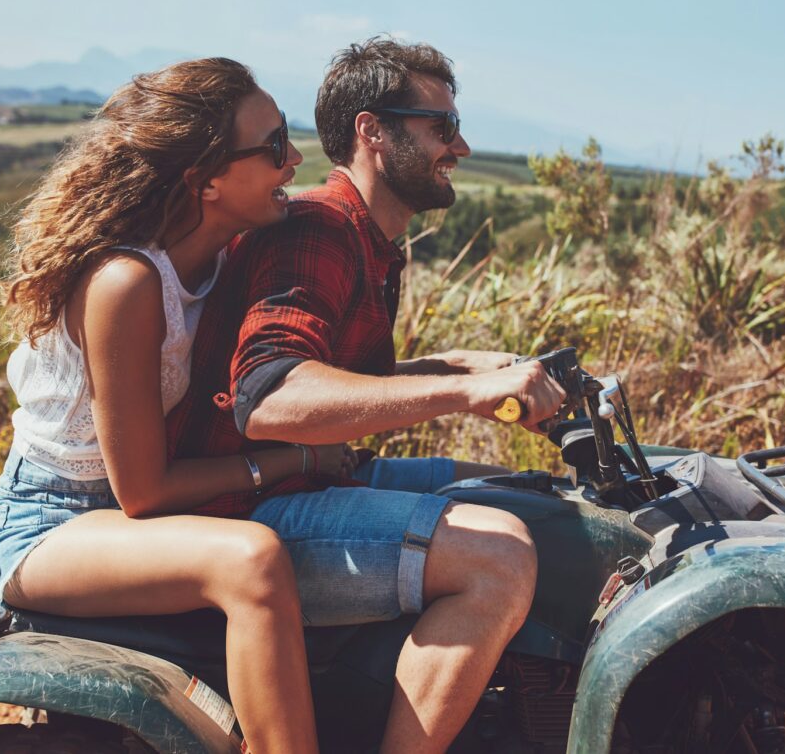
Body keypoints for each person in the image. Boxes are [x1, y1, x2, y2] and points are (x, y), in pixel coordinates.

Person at [165, 38, 566, 753]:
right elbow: (271, 394)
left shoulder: (372, 237)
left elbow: (346, 381)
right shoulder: (319, 226)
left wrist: (461, 366)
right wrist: (463, 394)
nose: (461, 145)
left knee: (515, 495)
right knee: (498, 557)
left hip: (313, 480)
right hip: (250, 510)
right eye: (441, 127)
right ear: (372, 130)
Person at [0, 58, 340, 754]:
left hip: (117, 515)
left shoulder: (221, 258)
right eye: (272, 146)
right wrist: (290, 459)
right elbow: (142, 492)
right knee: (252, 559)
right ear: (203, 181)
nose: (295, 158)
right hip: (51, 520)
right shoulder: (126, 281)